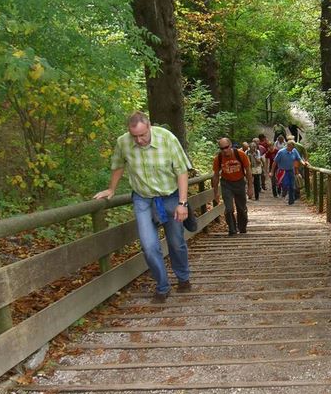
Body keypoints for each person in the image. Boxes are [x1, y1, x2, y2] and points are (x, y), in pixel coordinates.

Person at [94, 111, 192, 303]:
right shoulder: (123, 142)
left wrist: (182, 203)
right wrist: (111, 189)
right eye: (135, 136)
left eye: (143, 135)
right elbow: (118, 165)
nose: (139, 140)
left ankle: (183, 277)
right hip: (142, 198)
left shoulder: (167, 138)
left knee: (176, 242)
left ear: (149, 126)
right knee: (148, 246)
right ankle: (162, 287)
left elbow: (181, 171)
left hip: (170, 196)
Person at [212, 137, 254, 234]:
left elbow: (248, 170)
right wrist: (215, 193)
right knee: (229, 208)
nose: (224, 150)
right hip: (226, 183)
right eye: (222, 148)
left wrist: (250, 187)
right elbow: (215, 175)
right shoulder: (218, 158)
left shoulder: (240, 154)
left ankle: (242, 227)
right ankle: (232, 229)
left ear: (230, 145)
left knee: (241, 208)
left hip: (239, 182)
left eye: (226, 147)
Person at [271, 139, 305, 205]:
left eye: (293, 147)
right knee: (285, 184)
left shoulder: (294, 151)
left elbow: (299, 159)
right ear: (288, 146)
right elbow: (275, 162)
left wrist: (303, 163)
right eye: (291, 147)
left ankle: (291, 201)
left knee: (292, 185)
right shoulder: (281, 152)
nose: (292, 149)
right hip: (283, 171)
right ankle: (284, 192)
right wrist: (272, 172)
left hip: (291, 170)